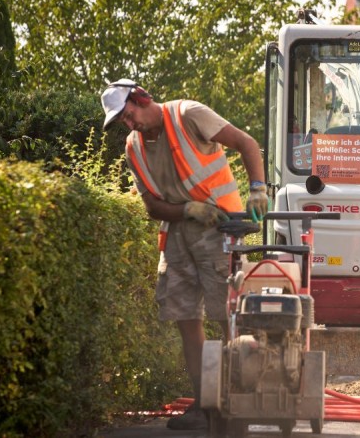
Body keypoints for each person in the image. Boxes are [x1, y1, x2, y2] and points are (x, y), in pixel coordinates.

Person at [101, 79, 268, 430]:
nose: (130, 125)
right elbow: (151, 205)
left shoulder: (188, 114)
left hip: (222, 228)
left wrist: (257, 190)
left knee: (229, 315)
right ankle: (205, 404)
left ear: (141, 98)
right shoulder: (134, 147)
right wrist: (188, 210)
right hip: (178, 235)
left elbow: (246, 143)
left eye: (129, 115)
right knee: (185, 318)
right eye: (123, 122)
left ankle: (239, 398)